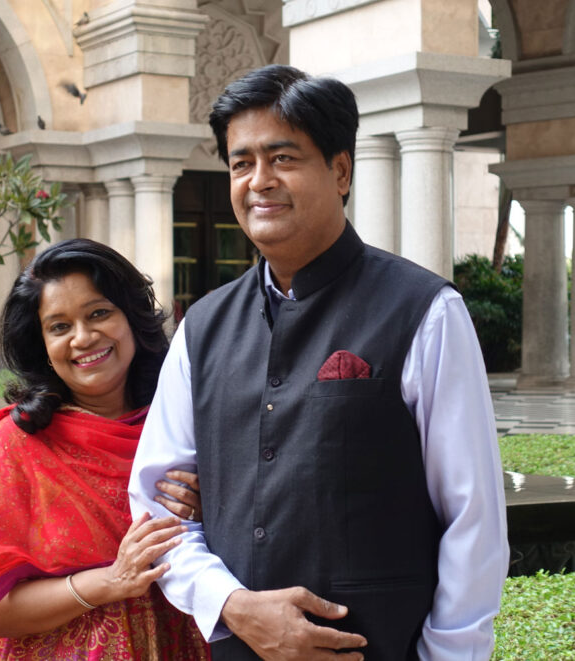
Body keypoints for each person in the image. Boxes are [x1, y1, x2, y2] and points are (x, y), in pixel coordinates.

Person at [129, 64, 509, 660]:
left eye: (283, 158)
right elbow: (156, 504)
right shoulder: (202, 327)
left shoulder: (426, 312)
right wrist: (232, 603)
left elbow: (474, 518)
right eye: (241, 163)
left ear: (340, 171)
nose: (259, 181)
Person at [0, 239, 210, 661]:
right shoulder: (19, 443)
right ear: (42, 345)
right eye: (59, 327)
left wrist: (210, 513)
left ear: (132, 318)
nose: (83, 337)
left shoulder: (182, 424)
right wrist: (110, 581)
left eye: (99, 313)